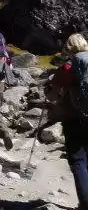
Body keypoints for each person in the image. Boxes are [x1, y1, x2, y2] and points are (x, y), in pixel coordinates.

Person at [46, 33, 88, 210]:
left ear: (69, 47)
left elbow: (53, 93)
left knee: (78, 160)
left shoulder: (68, 66)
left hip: (75, 118)